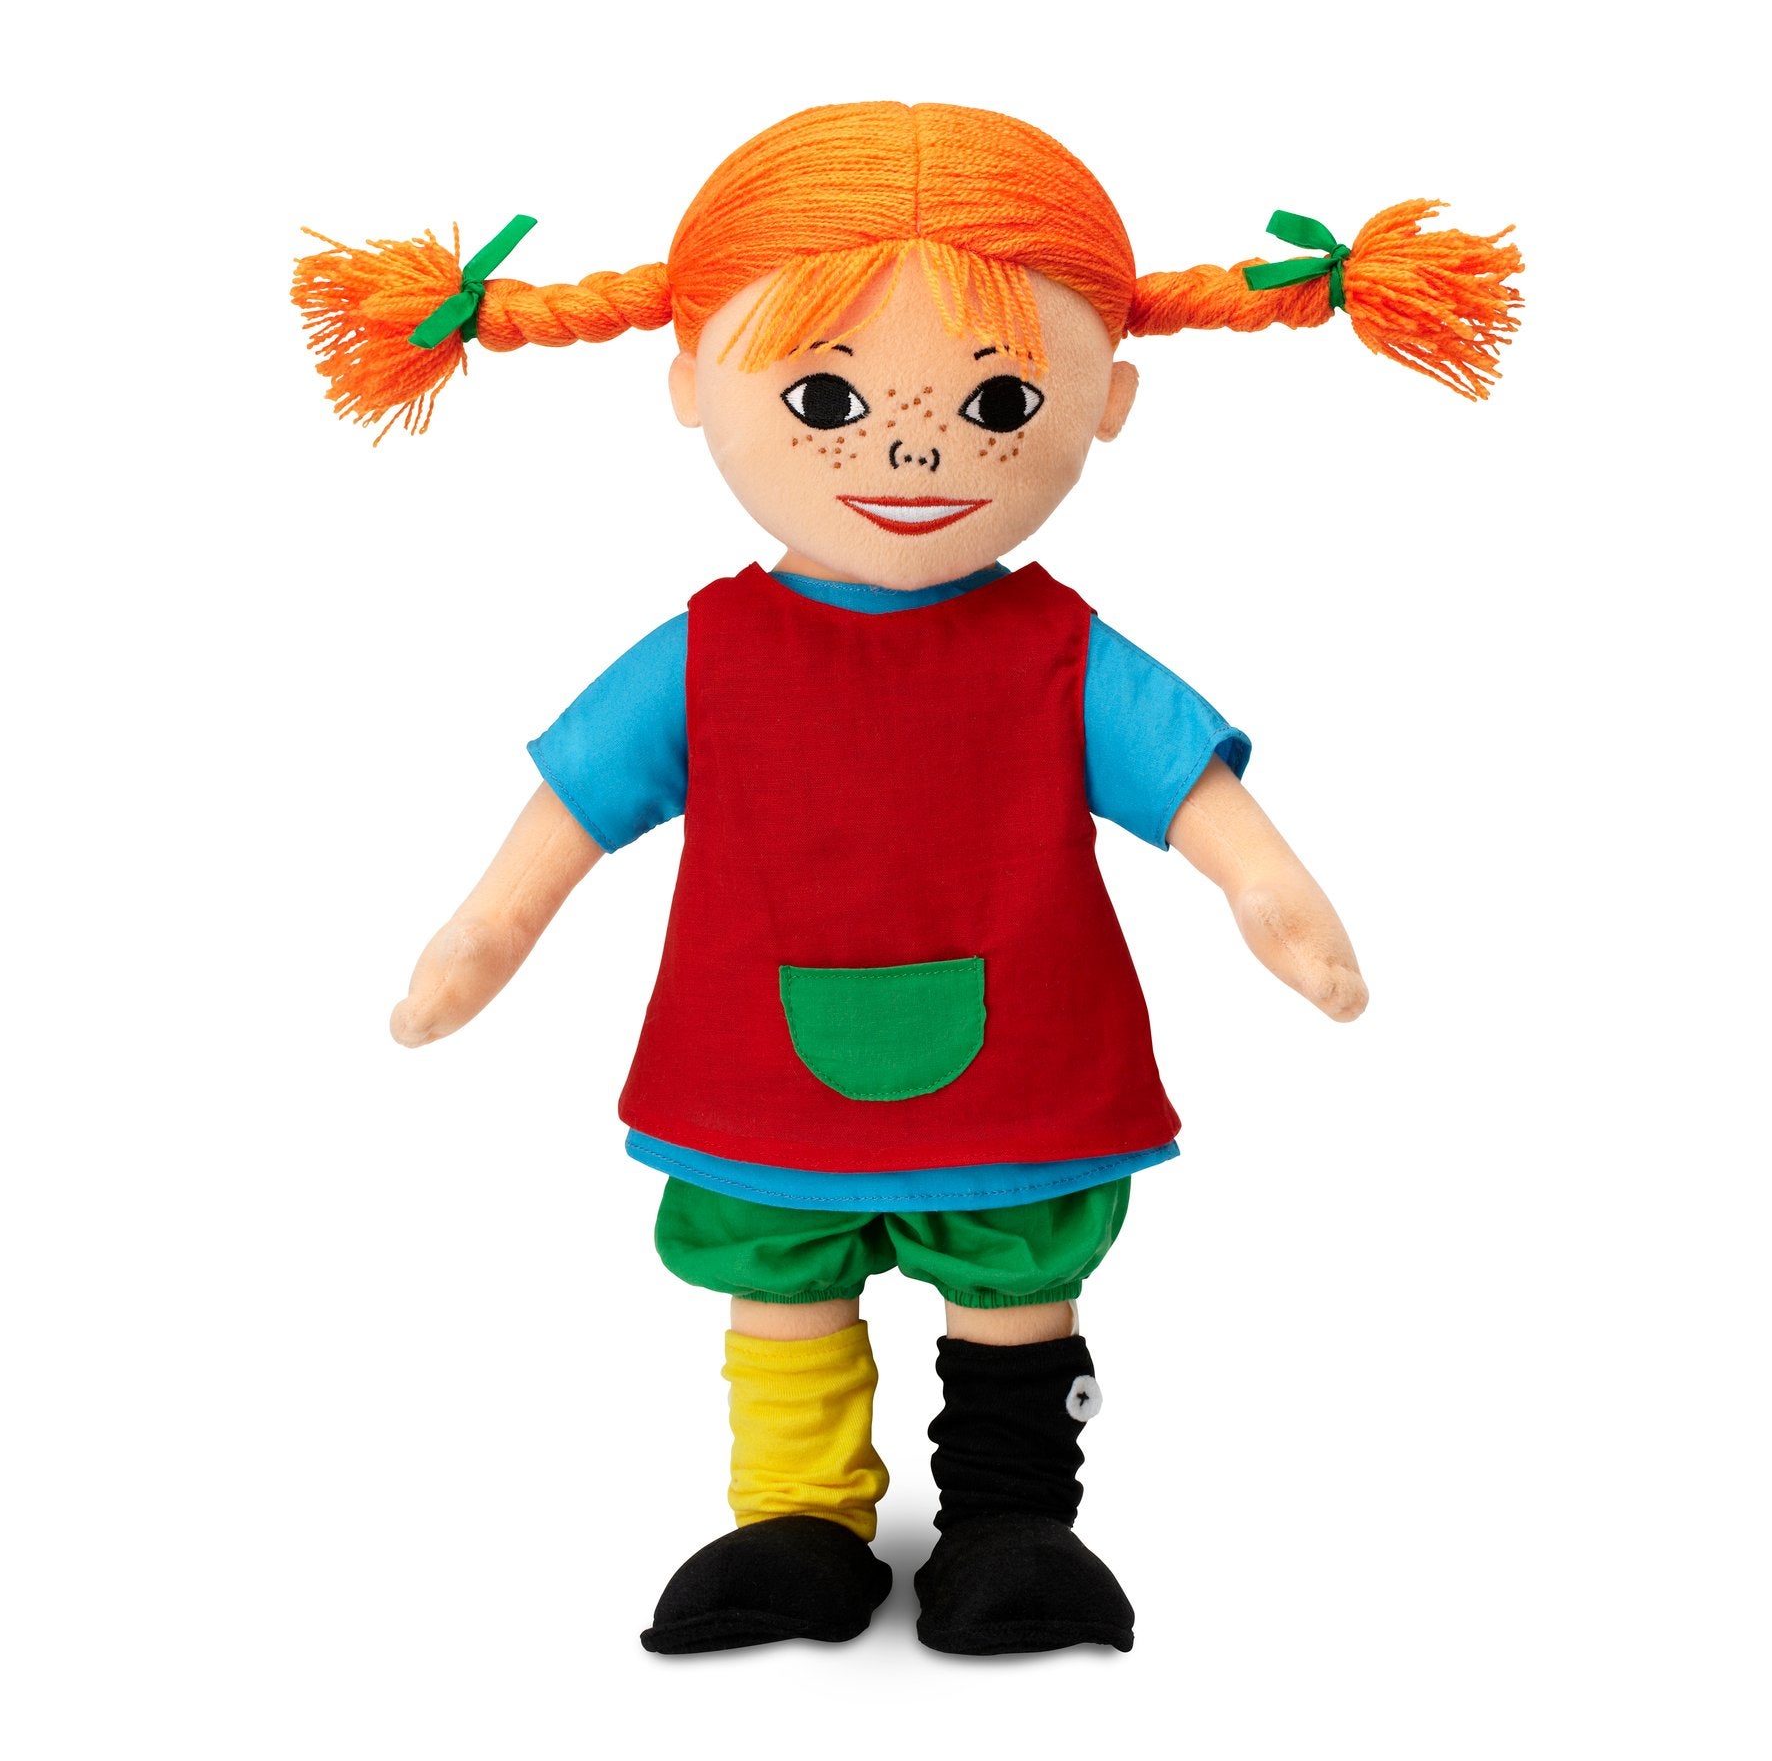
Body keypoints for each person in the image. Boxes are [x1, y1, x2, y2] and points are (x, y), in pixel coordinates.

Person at [294, 100, 1521, 1655]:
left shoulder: (1060, 649)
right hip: (762, 1059)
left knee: (1016, 1282)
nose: (914, 448)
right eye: (826, 396)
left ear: (1108, 400)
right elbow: (557, 835)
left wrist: (1275, 901)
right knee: (780, 1275)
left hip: (1024, 1061)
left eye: (1000, 400)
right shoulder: (708, 653)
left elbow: (1209, 815)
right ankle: (797, 1520)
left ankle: (1012, 1522)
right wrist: (476, 940)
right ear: (691, 381)